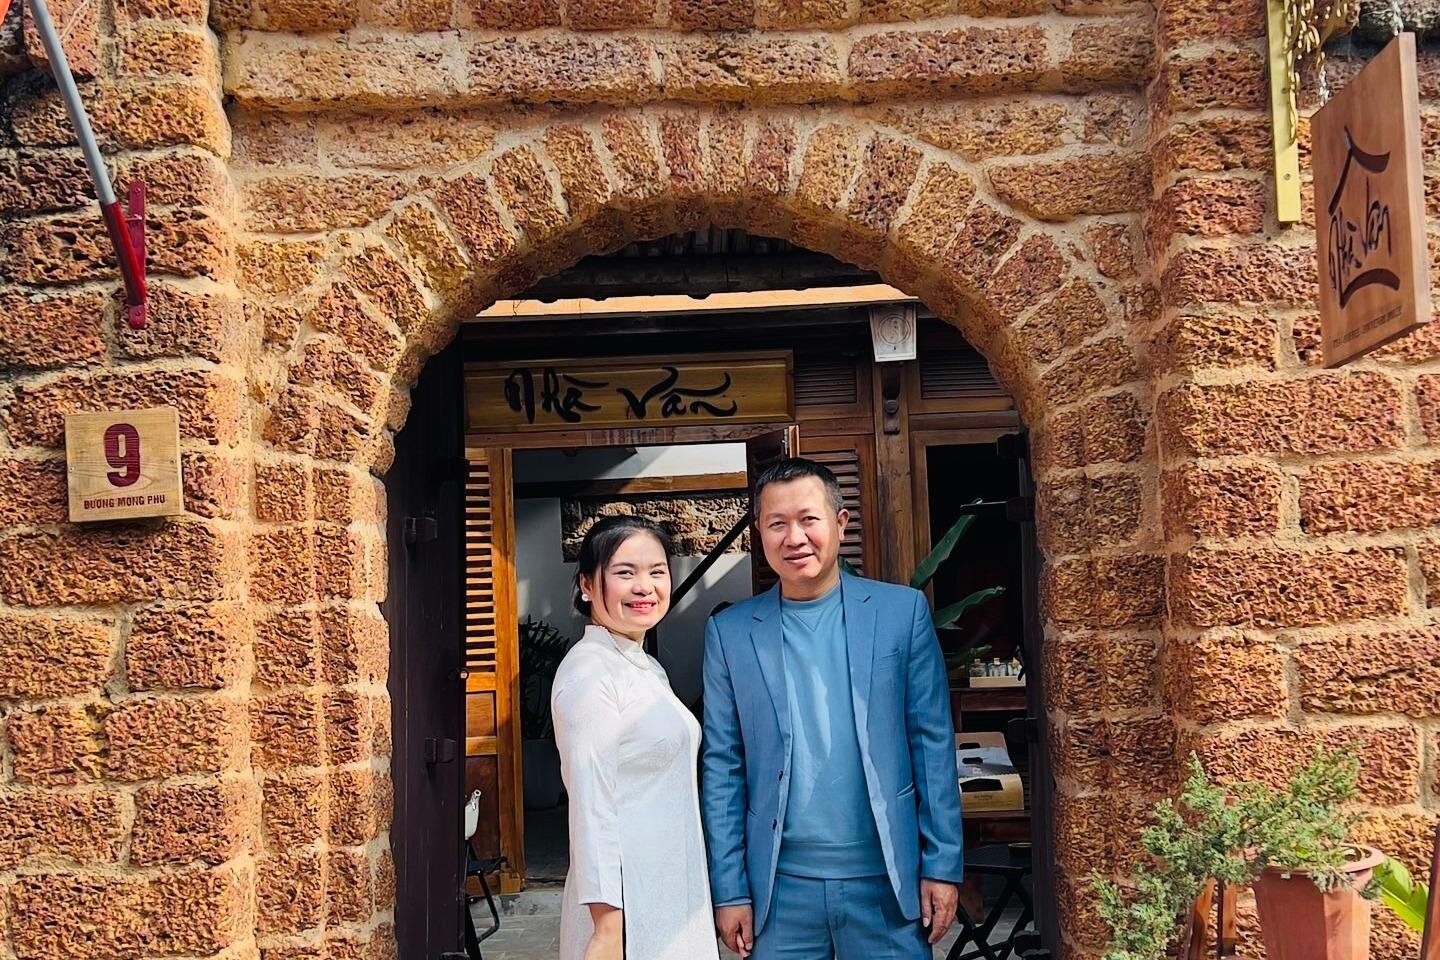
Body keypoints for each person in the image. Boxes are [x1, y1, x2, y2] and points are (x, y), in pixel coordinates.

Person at [701, 458, 964, 960]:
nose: (794, 537)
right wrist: (730, 889)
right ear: (759, 533)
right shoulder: (730, 633)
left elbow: (931, 744)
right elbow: (723, 766)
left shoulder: (900, 613)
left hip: (887, 881)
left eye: (809, 519)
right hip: (779, 890)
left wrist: (942, 865)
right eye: (777, 523)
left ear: (840, 524)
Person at [551, 516, 719, 960]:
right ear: (587, 585)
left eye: (656, 571)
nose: (644, 586)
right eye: (625, 572)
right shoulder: (590, 674)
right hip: (628, 910)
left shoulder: (641, 665)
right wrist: (607, 929)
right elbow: (592, 805)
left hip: (667, 890)